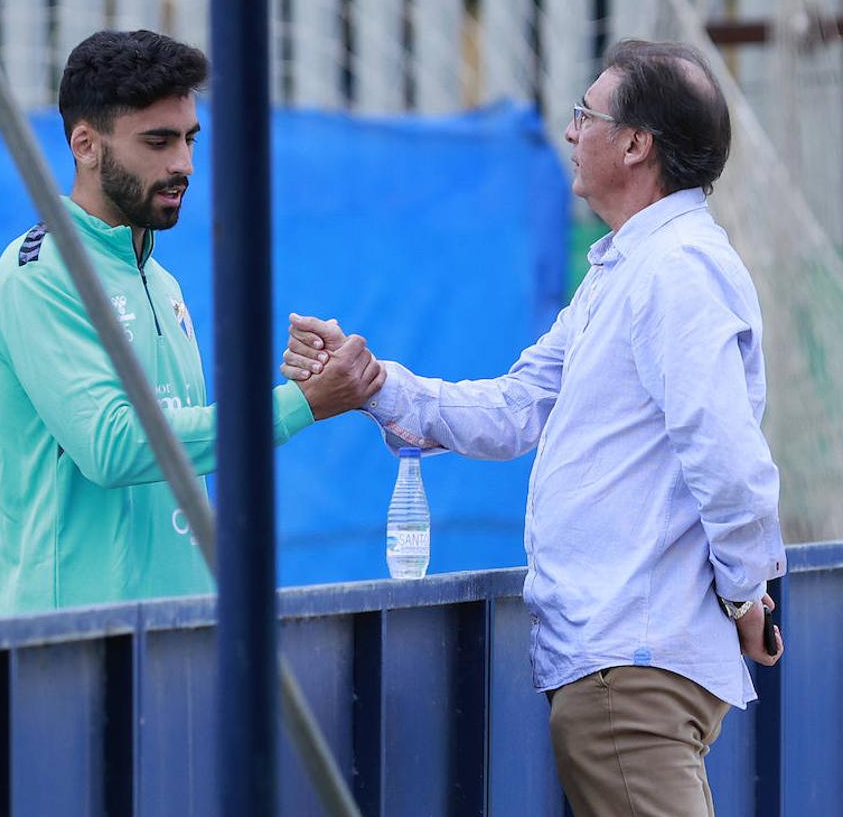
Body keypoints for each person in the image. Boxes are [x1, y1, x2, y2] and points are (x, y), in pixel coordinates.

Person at [282, 40, 785, 817]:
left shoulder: (676, 269)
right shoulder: (628, 268)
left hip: (631, 660)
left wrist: (745, 592)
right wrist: (371, 382)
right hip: (620, 660)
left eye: (585, 114)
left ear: (635, 143)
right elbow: (517, 407)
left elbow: (728, 461)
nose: (570, 131)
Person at [0, 30, 383, 615]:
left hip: (182, 638)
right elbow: (114, 448)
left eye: (190, 139)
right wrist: (300, 403)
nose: (184, 164)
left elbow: (186, 450)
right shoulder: (40, 276)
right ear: (85, 145)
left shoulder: (161, 283)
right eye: (158, 141)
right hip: (69, 654)